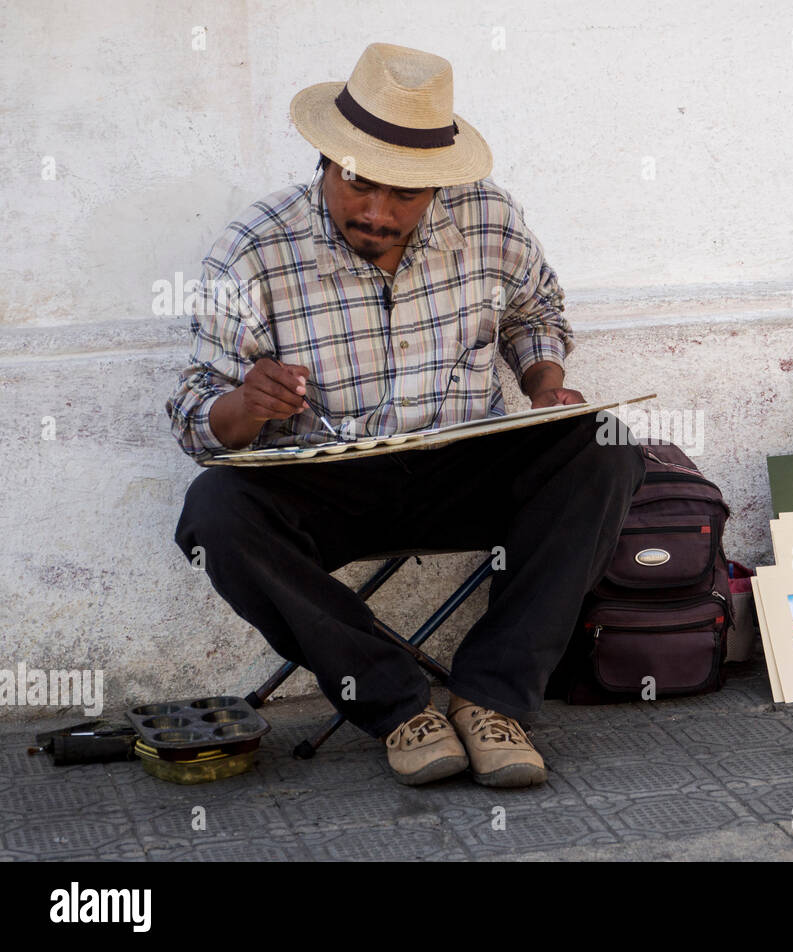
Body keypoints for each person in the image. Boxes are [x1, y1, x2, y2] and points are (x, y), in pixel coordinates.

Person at [165, 43, 644, 788]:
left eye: (407, 195)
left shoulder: (486, 215)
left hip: (464, 468)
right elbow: (197, 414)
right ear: (327, 160)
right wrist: (243, 406)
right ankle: (398, 707)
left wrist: (545, 384)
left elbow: (534, 311)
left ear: (438, 185)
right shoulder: (254, 250)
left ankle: (493, 700)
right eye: (358, 184)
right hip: (331, 485)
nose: (378, 213)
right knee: (215, 512)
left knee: (605, 443)